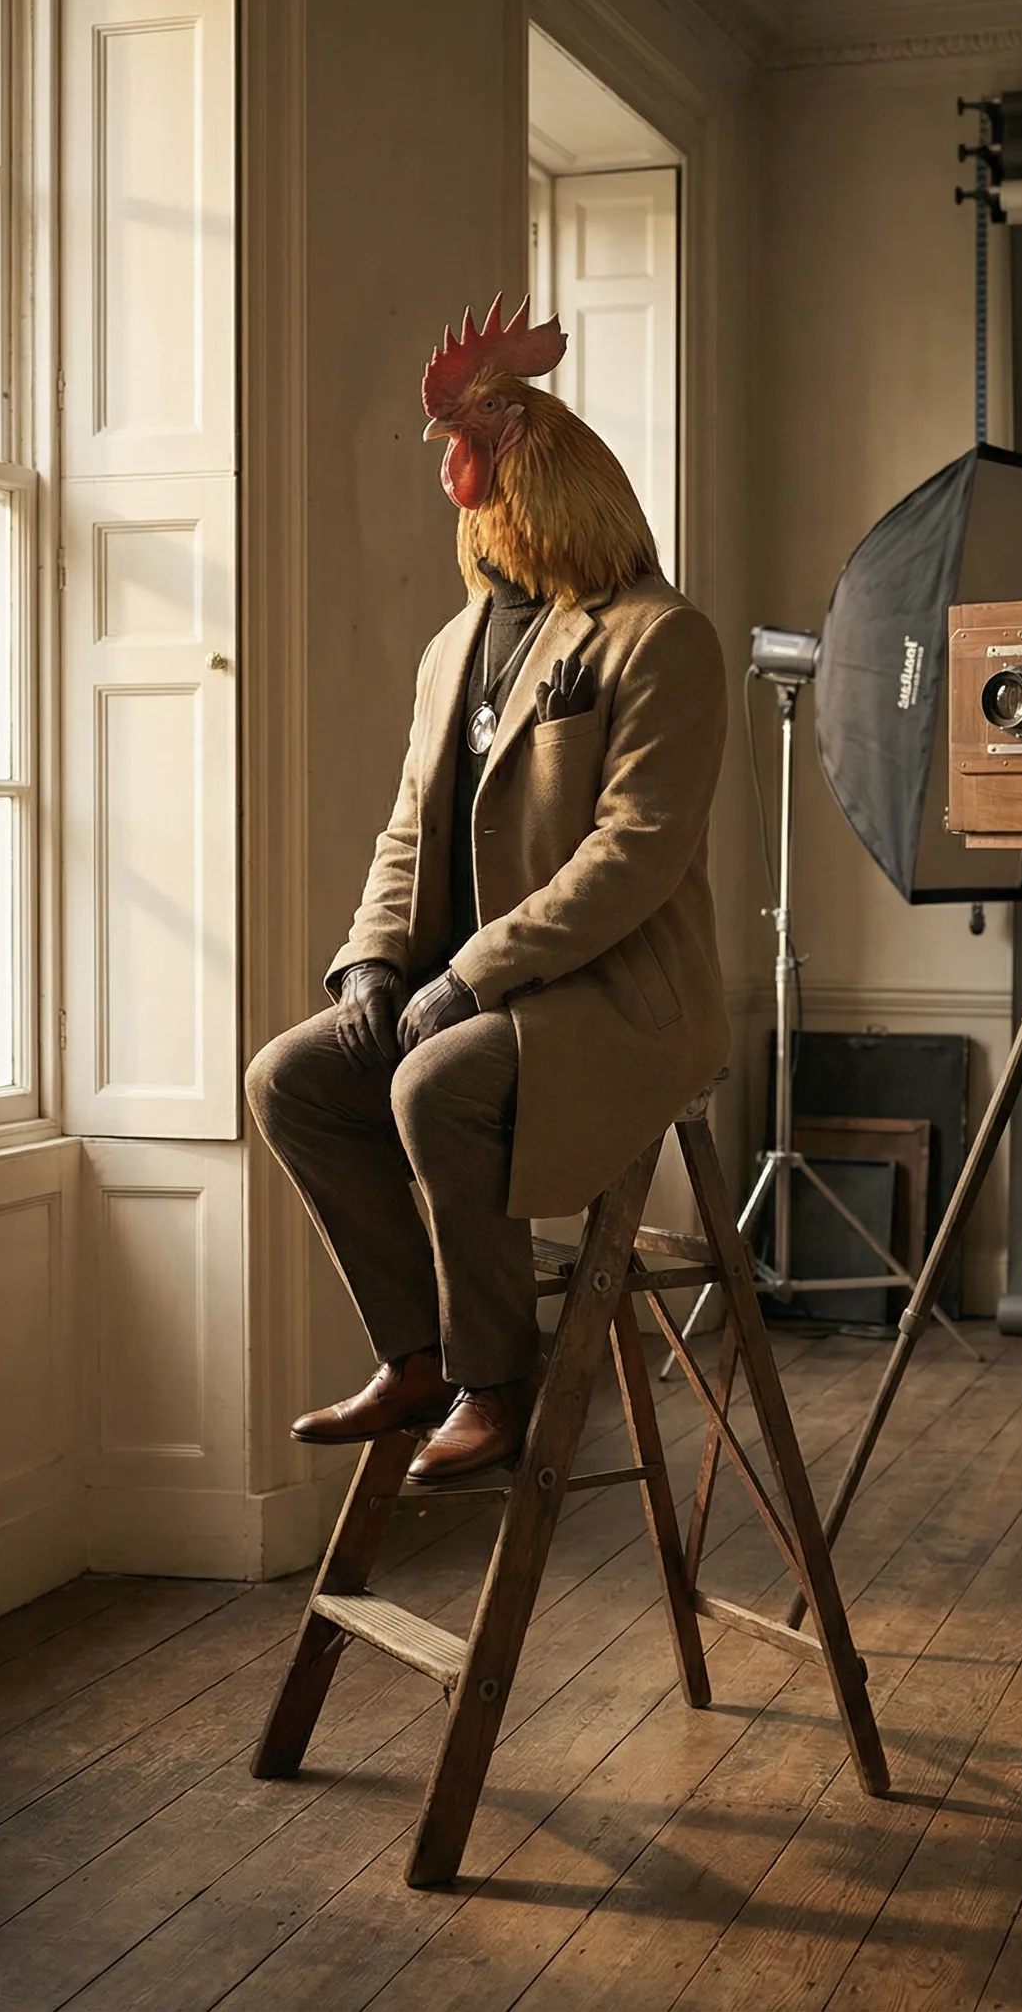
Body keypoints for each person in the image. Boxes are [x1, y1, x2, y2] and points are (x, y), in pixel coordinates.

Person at [245, 295, 729, 1483]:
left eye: (471, 426)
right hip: (467, 994)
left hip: (610, 999)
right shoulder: (450, 645)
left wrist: (470, 973)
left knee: (434, 1085)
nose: (444, 448)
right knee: (292, 1077)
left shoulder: (657, 637)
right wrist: (370, 961)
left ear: (527, 452)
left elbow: (636, 850)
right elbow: (408, 827)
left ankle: (493, 1380)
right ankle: (415, 1354)